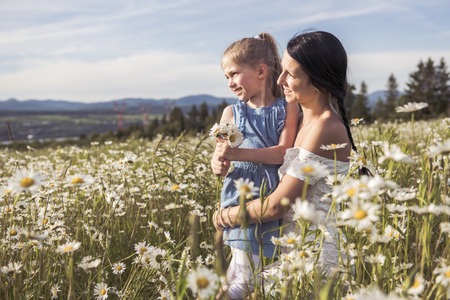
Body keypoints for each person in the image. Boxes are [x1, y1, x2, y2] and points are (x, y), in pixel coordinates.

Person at [213, 30, 366, 283]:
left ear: (317, 81)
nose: (280, 79)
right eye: (281, 70)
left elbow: (276, 205)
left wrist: (224, 216)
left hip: (313, 260)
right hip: (289, 250)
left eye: (290, 74)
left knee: (237, 291)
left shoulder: (325, 128)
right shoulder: (303, 122)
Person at [212, 32, 299, 299]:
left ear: (261, 71)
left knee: (248, 277)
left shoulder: (288, 108)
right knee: (242, 275)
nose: (230, 83)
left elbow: (283, 153)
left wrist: (236, 154)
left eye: (235, 74)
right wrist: (219, 162)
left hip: (268, 199)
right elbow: (220, 153)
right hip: (240, 197)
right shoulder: (231, 113)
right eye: (226, 77)